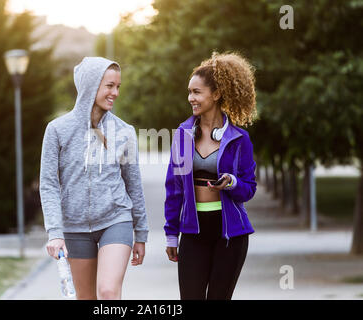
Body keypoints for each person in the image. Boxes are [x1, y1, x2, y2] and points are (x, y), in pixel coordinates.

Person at [40, 57, 149, 300]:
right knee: (86, 298)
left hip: (115, 219)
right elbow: (48, 185)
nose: (116, 93)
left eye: (118, 87)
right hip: (74, 226)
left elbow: (133, 184)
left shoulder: (124, 131)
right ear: (91, 85)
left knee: (109, 292)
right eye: (109, 86)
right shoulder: (57, 130)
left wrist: (140, 232)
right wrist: (55, 231)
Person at [164, 51, 258, 300]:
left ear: (215, 94)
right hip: (193, 233)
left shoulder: (239, 139)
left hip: (230, 235)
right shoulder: (183, 136)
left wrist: (232, 182)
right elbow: (174, 189)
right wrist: (172, 235)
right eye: (189, 92)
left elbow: (249, 188)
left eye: (196, 92)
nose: (190, 98)